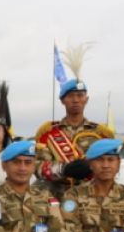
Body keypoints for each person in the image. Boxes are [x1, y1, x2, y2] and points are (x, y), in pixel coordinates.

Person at [34, 63, 113, 196]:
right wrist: (64, 169)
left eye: (80, 95)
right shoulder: (47, 132)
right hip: (57, 196)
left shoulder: (101, 133)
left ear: (86, 99)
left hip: (92, 198)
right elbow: (38, 166)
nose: (75, 100)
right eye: (70, 96)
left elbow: (111, 165)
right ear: (62, 100)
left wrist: (91, 168)